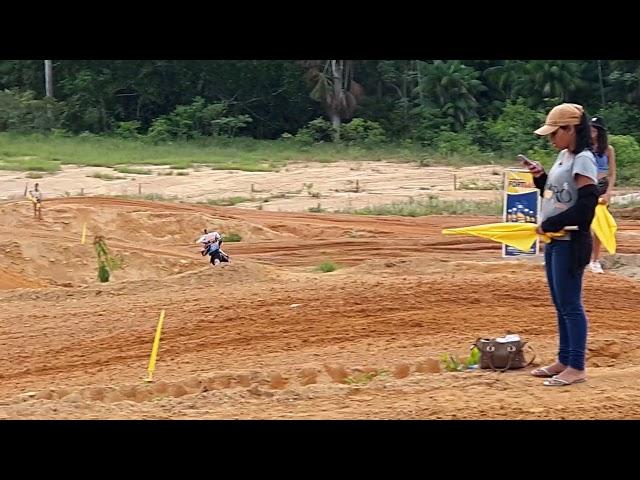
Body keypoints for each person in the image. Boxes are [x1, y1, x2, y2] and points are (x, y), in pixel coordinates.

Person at [523, 103, 599, 387]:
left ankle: (576, 366)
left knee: (570, 305)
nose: (551, 139)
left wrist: (551, 224)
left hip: (570, 241)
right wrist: (540, 176)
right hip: (555, 241)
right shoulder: (564, 156)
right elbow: (558, 195)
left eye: (555, 133)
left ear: (570, 130)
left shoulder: (583, 159)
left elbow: (586, 207)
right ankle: (564, 359)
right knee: (560, 304)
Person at [588, 116, 617, 274]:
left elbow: (612, 173)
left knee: (599, 225)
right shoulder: (584, 147)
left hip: (601, 187)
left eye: (595, 128)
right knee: (580, 222)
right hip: (586, 186)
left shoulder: (608, 149)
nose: (592, 130)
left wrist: (608, 192)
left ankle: (595, 260)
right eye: (591, 127)